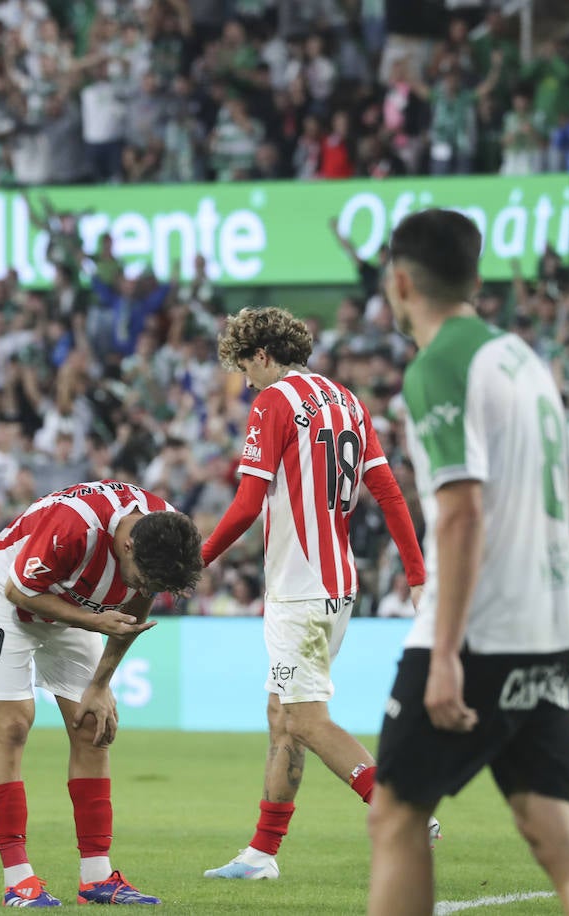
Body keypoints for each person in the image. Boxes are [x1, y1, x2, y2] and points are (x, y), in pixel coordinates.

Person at [367, 209, 569, 916]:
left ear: (399, 283)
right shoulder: (521, 357)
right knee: (557, 830)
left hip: (485, 629)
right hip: (554, 622)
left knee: (394, 815)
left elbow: (461, 512)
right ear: (476, 278)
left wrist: (444, 651)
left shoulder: (439, 364)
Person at [199, 306, 430, 881]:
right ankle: (261, 854)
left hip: (300, 589)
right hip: (338, 584)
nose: (244, 380)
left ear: (261, 354)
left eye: (243, 367)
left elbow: (248, 505)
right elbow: (390, 492)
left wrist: (196, 562)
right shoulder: (347, 400)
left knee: (302, 717)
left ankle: (400, 807)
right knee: (282, 713)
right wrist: (417, 573)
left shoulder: (273, 402)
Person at [0, 479, 203, 907]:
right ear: (128, 547)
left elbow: (137, 605)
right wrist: (94, 623)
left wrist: (101, 685)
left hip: (76, 603)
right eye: (144, 579)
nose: (146, 587)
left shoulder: (163, 531)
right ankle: (17, 879)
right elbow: (19, 592)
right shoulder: (74, 527)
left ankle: (96, 878)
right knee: (14, 723)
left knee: (93, 723)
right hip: (6, 591)